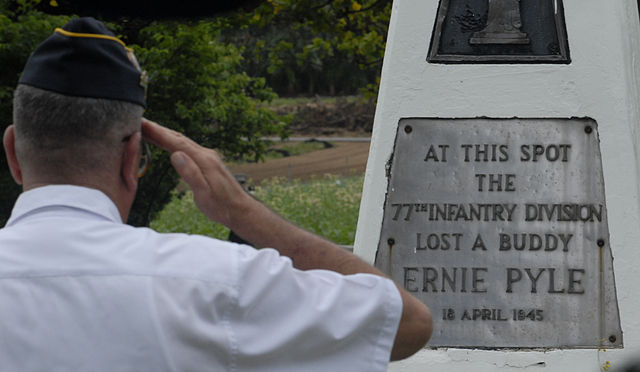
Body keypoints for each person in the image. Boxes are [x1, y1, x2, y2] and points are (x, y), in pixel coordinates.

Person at [0, 17, 432, 371]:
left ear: (13, 151)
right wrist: (241, 210)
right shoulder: (215, 281)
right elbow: (408, 324)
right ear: (132, 157)